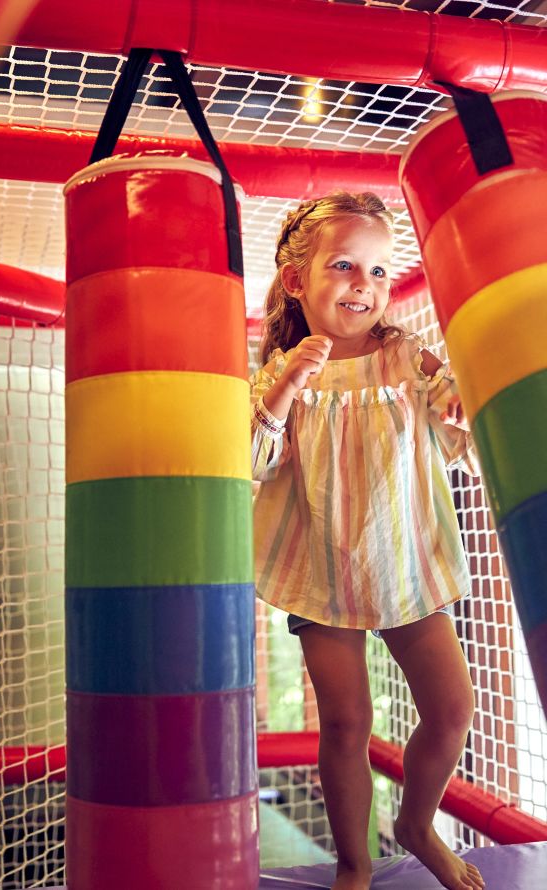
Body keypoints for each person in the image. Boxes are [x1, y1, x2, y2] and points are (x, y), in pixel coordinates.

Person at [250, 192, 484, 890]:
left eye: (381, 271)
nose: (366, 285)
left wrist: (458, 403)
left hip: (405, 562)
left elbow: (459, 434)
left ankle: (417, 823)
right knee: (347, 724)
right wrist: (288, 383)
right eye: (347, 265)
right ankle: (354, 863)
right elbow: (246, 465)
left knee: (450, 711)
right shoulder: (283, 370)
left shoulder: (407, 357)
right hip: (320, 569)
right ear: (298, 281)